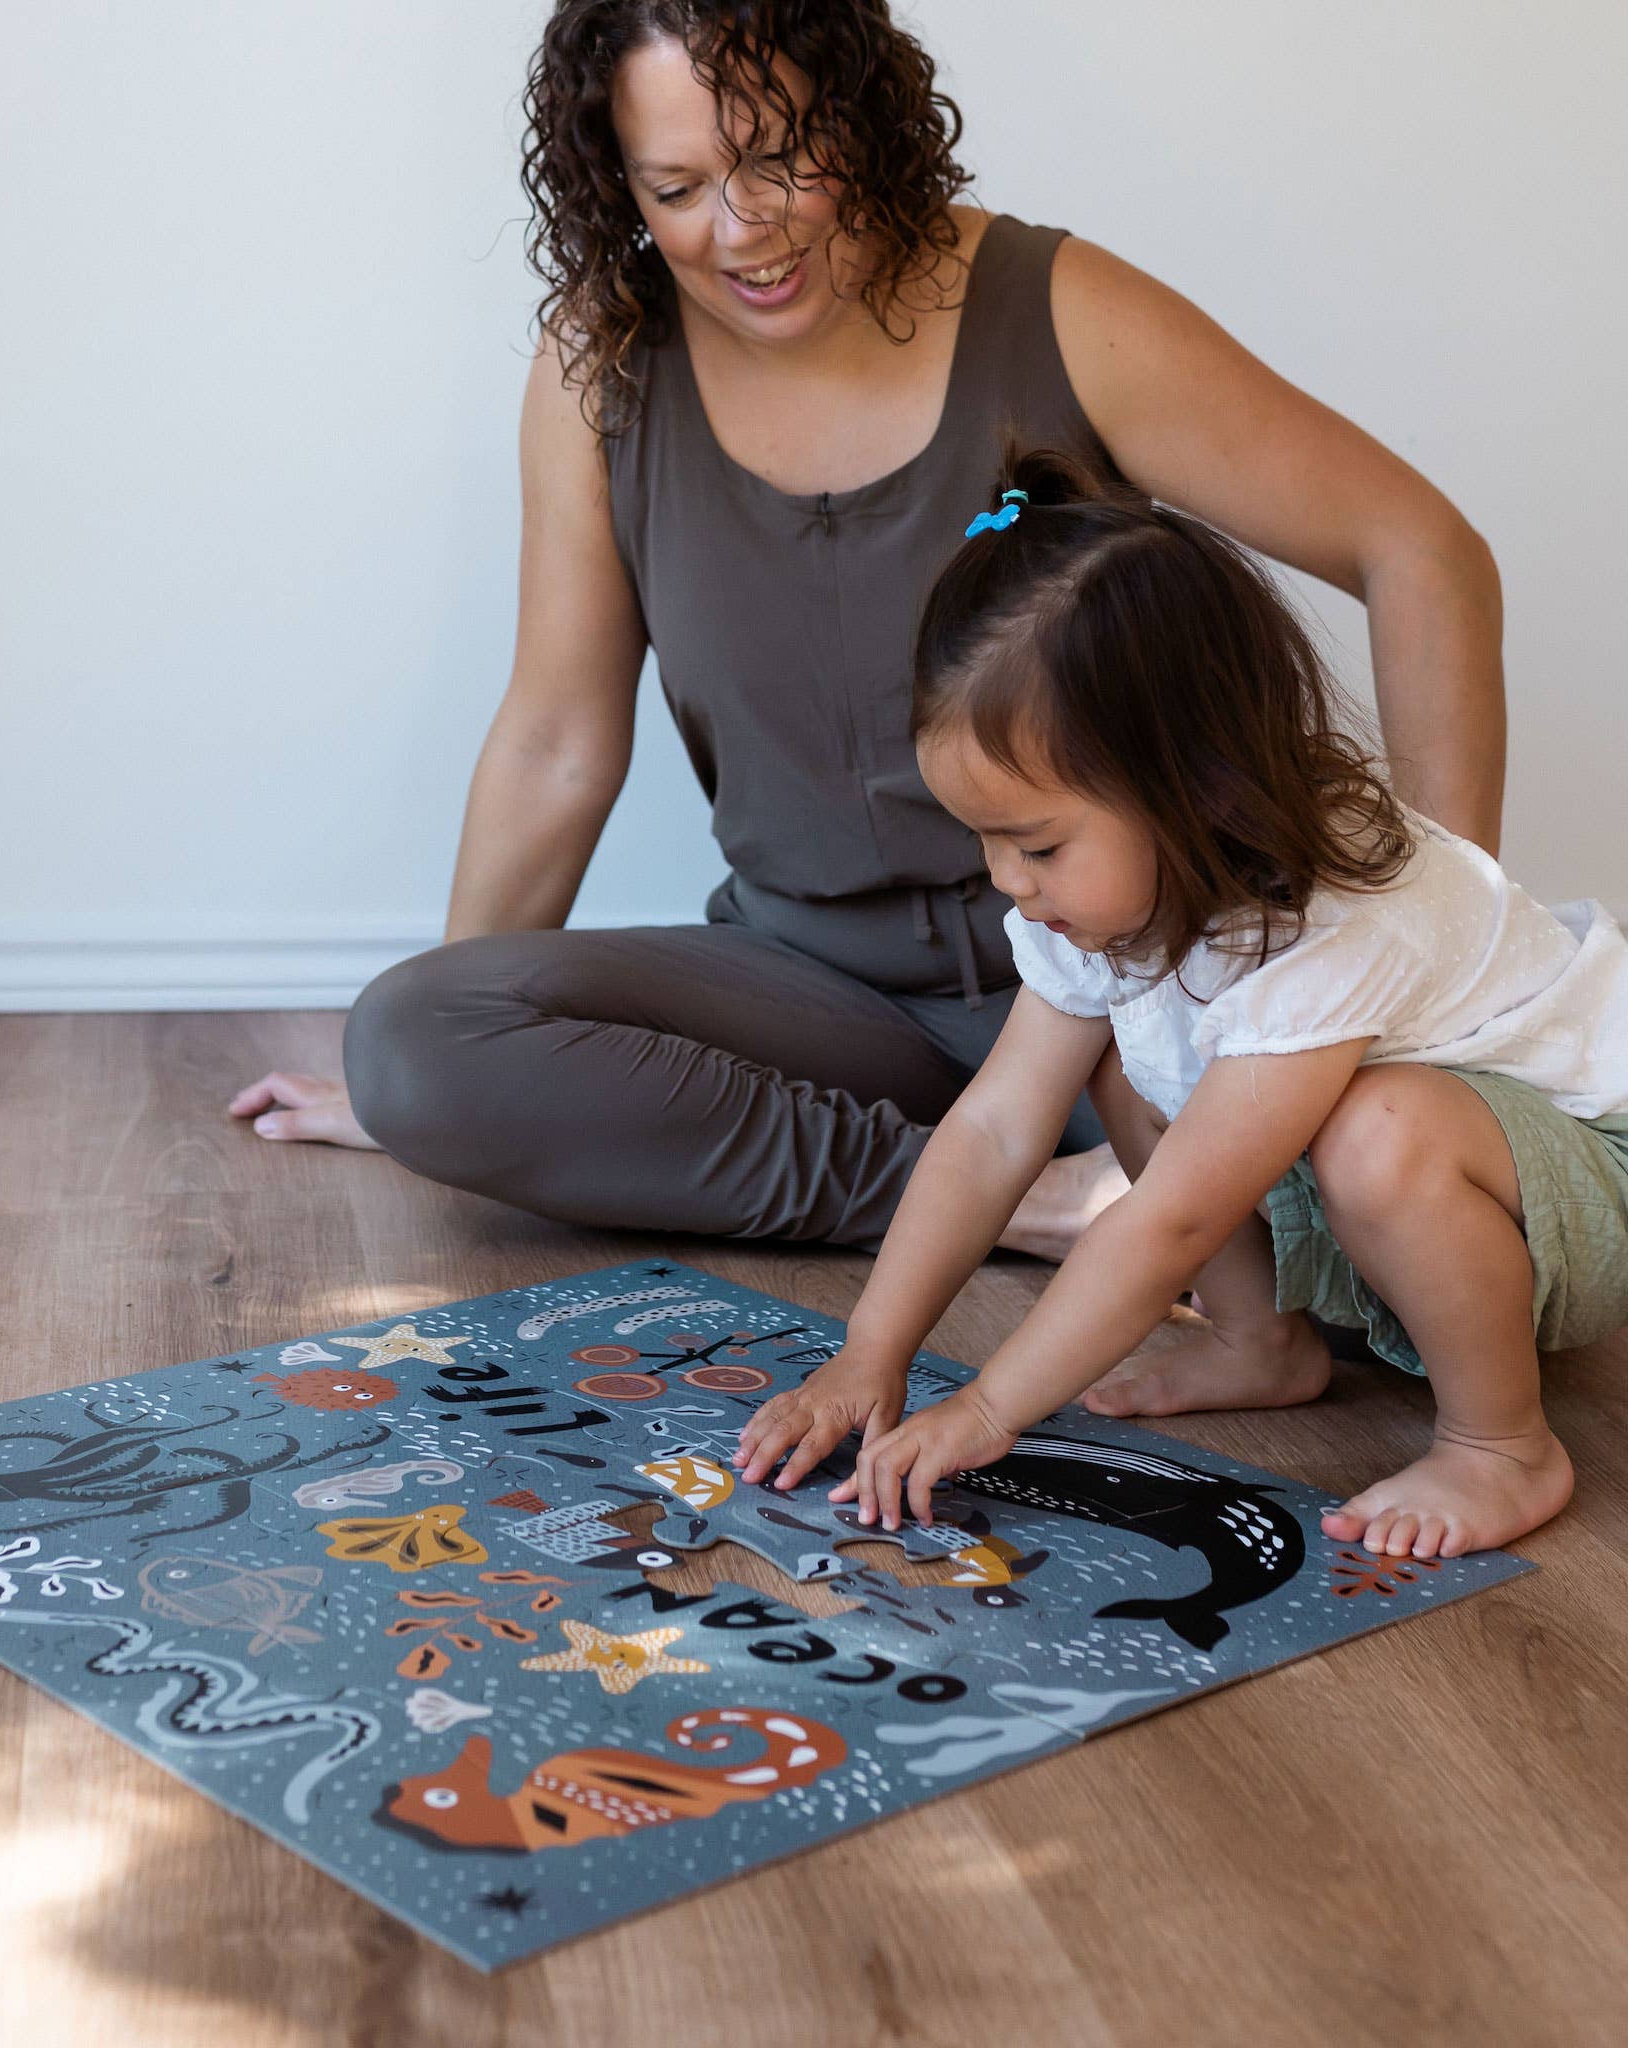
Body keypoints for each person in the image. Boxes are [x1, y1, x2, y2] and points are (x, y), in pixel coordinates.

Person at [231, 0, 1505, 1262]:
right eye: (677, 187)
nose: (743, 229)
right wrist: (450, 1079)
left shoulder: (1053, 307)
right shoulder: (602, 364)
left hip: (1110, 987)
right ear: (613, 185)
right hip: (814, 996)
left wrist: (1433, 947)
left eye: (780, 155)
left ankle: (1072, 1175)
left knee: (1376, 1190)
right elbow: (559, 741)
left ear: (859, 113)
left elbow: (1419, 551)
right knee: (411, 1040)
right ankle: (1031, 1200)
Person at [735, 446, 1628, 1560]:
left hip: (1585, 1185)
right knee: (1120, 1046)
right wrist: (873, 1347)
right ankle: (1260, 1341)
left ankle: (1500, 1441)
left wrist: (986, 1406)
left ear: (1192, 786)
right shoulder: (1110, 901)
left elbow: (1175, 1218)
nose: (1006, 881)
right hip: (1422, 1172)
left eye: (1037, 843)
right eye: (984, 839)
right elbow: (995, 1125)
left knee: (1376, 1129)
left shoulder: (1345, 913)